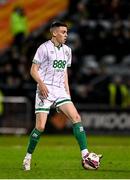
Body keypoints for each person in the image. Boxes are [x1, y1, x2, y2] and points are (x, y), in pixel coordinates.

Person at [23, 21, 102, 171]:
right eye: (63, 32)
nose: (66, 35)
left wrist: (68, 95)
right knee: (40, 127)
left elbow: (64, 73)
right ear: (54, 33)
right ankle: (28, 157)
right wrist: (41, 83)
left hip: (60, 90)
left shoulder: (67, 50)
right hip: (44, 90)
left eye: (67, 32)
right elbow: (33, 70)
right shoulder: (43, 48)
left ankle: (85, 155)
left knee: (76, 118)